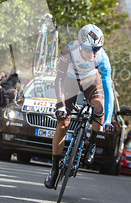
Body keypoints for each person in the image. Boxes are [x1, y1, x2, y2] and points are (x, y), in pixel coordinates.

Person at [44, 24, 113, 189]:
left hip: (91, 82)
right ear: (81, 45)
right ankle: (54, 169)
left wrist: (108, 119)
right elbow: (59, 79)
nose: (93, 53)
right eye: (90, 49)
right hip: (70, 82)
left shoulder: (102, 58)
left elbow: (108, 90)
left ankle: (92, 142)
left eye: (97, 49)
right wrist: (61, 105)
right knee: (62, 126)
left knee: (98, 109)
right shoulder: (69, 50)